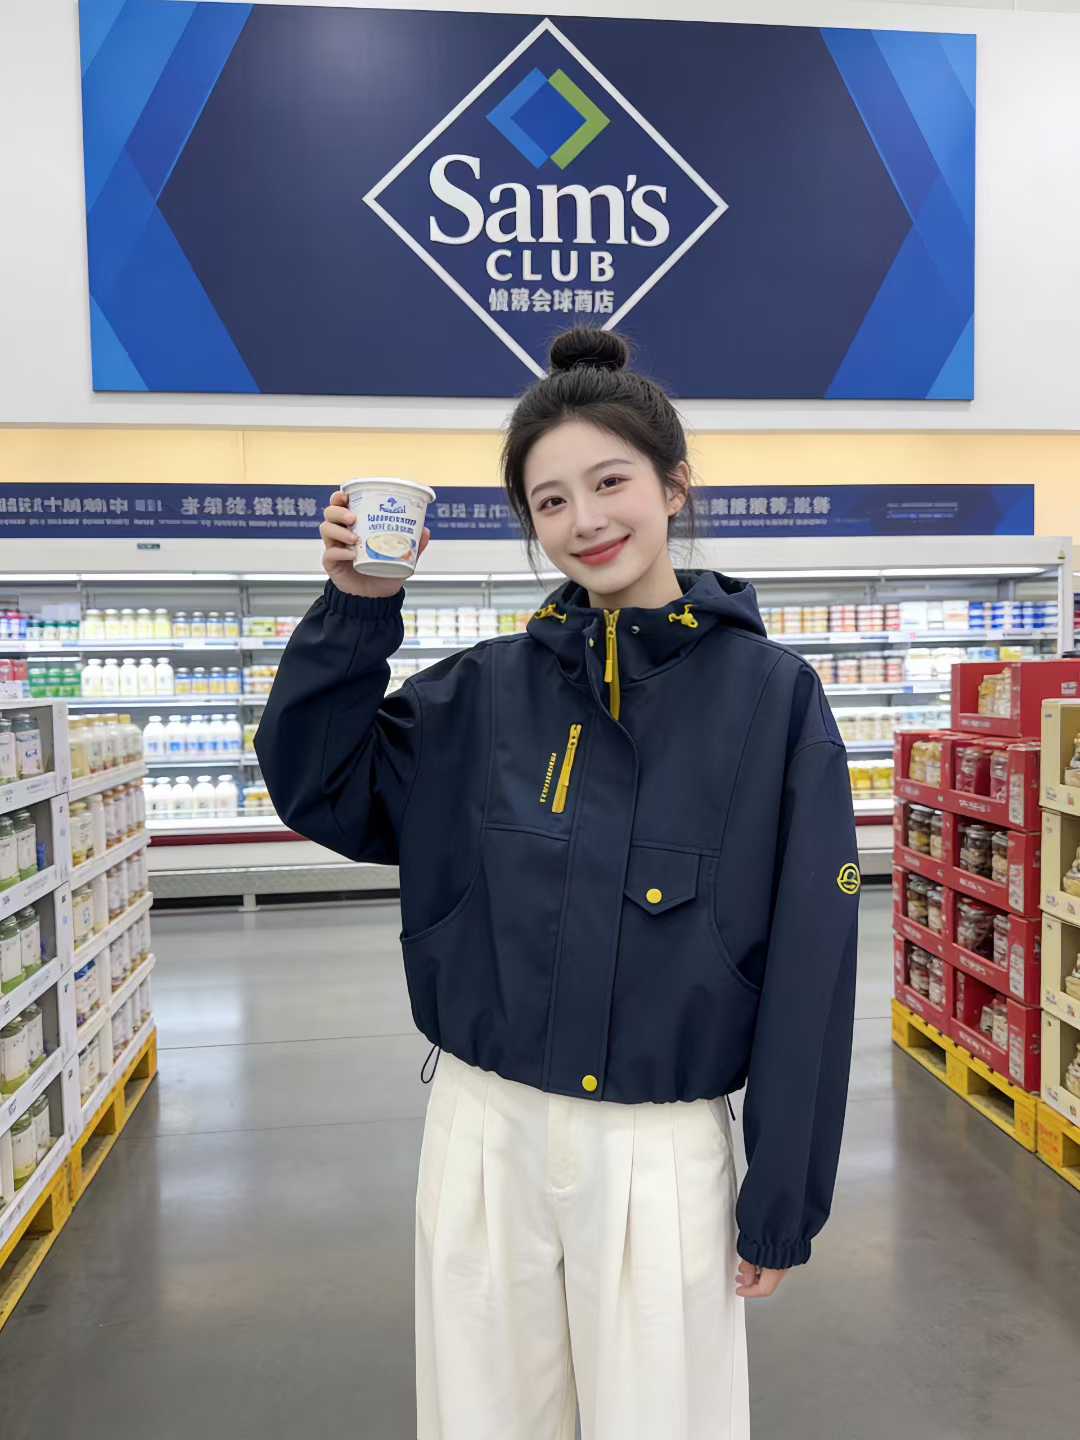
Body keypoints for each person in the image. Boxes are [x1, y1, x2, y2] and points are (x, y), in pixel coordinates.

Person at [255, 327, 860, 1440]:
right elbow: (321, 785)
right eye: (550, 501)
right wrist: (356, 607)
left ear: (674, 485)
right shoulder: (484, 694)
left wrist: (782, 1195)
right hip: (484, 1134)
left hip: (658, 1150)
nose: (585, 519)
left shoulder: (774, 702)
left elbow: (812, 969)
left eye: (611, 481)